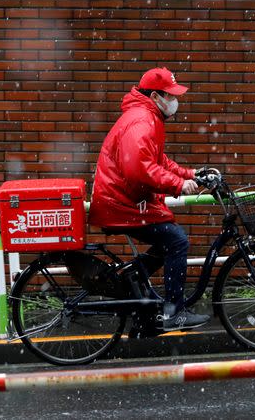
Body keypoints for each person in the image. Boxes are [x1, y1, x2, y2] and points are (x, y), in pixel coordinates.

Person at [88, 67, 210, 331]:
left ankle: (133, 276)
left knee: (170, 240)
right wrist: (178, 184)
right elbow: (139, 170)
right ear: (155, 96)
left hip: (123, 201)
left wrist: (191, 174)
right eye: (171, 95)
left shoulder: (145, 116)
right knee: (177, 240)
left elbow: (158, 161)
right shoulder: (142, 120)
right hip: (121, 204)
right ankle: (174, 312)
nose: (175, 101)